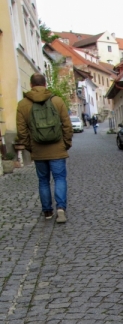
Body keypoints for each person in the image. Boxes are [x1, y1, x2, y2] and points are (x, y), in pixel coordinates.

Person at [16, 73, 72, 223]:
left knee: (43, 180)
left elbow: (21, 131)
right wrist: (65, 143)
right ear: (45, 84)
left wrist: (31, 147)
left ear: (31, 85)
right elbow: (67, 126)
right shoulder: (57, 101)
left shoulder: (22, 105)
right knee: (60, 178)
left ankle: (47, 211)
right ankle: (61, 208)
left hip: (38, 149)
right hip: (57, 149)